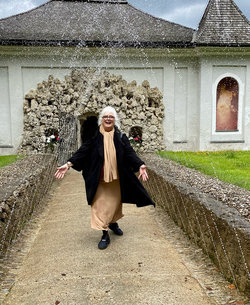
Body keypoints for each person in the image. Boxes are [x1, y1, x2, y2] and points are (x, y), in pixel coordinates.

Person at [54, 106, 155, 250]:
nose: (108, 119)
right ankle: (104, 234)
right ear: (101, 119)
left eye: (111, 117)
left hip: (115, 179)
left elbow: (129, 152)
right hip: (99, 179)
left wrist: (140, 164)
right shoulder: (95, 137)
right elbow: (83, 151)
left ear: (115, 120)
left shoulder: (120, 137)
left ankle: (113, 223)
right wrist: (69, 163)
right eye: (105, 116)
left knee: (113, 205)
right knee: (100, 206)